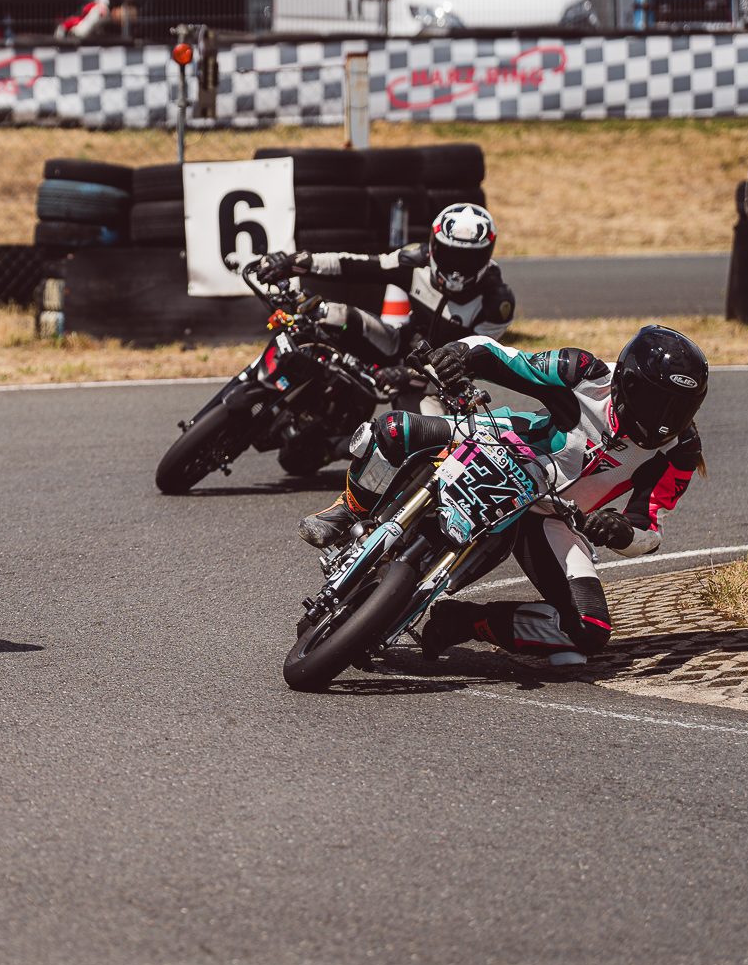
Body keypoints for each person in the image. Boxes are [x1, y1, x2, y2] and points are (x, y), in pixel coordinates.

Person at [298, 325, 708, 666]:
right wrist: (457, 354)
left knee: (589, 631)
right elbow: (497, 355)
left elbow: (649, 529)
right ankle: (347, 510)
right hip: (506, 443)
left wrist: (621, 533)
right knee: (389, 431)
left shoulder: (682, 452)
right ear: (628, 383)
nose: (664, 420)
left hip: (551, 516)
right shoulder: (584, 372)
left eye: (679, 409)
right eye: (657, 402)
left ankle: (464, 621)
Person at [253, 203, 518, 407]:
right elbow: (353, 264)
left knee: (418, 434)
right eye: (451, 255)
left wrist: (408, 375)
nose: (458, 268)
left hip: (437, 385)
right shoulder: (414, 262)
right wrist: (295, 262)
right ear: (434, 247)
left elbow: (469, 363)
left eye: (468, 258)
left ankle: (345, 446)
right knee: (330, 314)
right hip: (395, 343)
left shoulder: (496, 303)